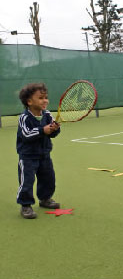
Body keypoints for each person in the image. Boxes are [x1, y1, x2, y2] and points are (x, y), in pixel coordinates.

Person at [17, 83, 61, 219]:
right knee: (27, 181)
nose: (45, 100)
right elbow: (26, 135)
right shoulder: (24, 117)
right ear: (29, 102)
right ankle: (26, 205)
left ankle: (45, 199)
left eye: (46, 97)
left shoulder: (47, 115)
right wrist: (43, 130)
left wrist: (55, 129)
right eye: (41, 98)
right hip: (28, 156)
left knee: (48, 178)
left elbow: (53, 133)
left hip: (45, 154)